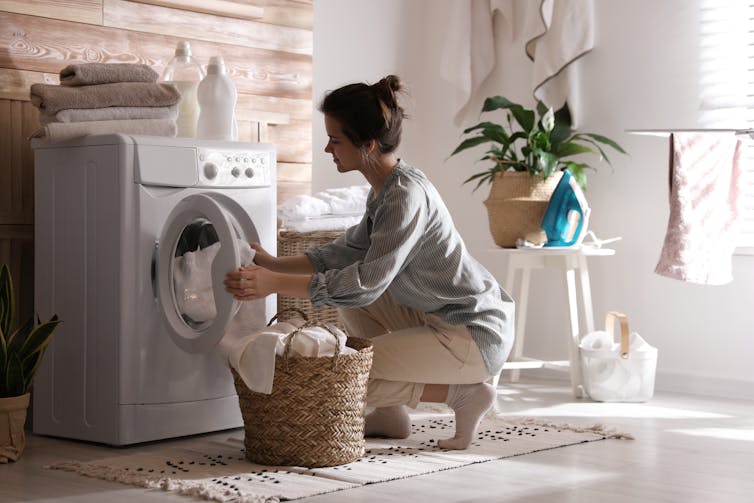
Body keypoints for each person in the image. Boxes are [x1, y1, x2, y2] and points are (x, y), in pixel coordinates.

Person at [225, 75, 514, 450]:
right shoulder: (386, 188)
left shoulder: (404, 196)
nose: (328, 147)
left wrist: (273, 284)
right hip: (444, 317)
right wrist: (274, 264)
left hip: (472, 333)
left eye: (336, 139)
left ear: (369, 145)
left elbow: (365, 282)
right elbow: (345, 253)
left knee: (348, 369)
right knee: (356, 299)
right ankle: (390, 414)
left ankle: (464, 395)